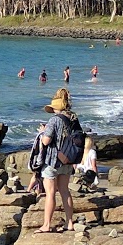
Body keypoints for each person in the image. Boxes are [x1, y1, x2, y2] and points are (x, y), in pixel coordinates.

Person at [35, 89, 75, 232]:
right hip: (67, 159)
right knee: (65, 191)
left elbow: (46, 141)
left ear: (55, 108)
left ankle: (46, 225)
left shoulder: (54, 120)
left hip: (52, 160)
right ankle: (70, 223)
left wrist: (42, 132)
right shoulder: (73, 119)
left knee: (50, 193)